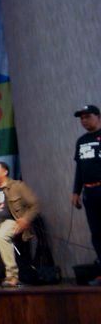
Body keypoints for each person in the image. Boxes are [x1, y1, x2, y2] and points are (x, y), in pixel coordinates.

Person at [71, 104, 101, 286]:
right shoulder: (81, 141)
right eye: (81, 118)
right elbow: (80, 168)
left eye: (87, 116)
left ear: (98, 116)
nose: (84, 120)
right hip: (89, 192)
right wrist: (76, 191)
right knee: (96, 232)